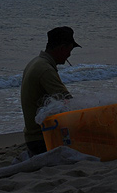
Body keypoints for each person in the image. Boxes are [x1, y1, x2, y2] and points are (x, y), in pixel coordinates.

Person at [20, 26, 81, 156]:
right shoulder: (46, 70)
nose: (69, 55)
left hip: (31, 137)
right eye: (69, 50)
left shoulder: (35, 62)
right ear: (61, 48)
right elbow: (67, 101)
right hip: (41, 139)